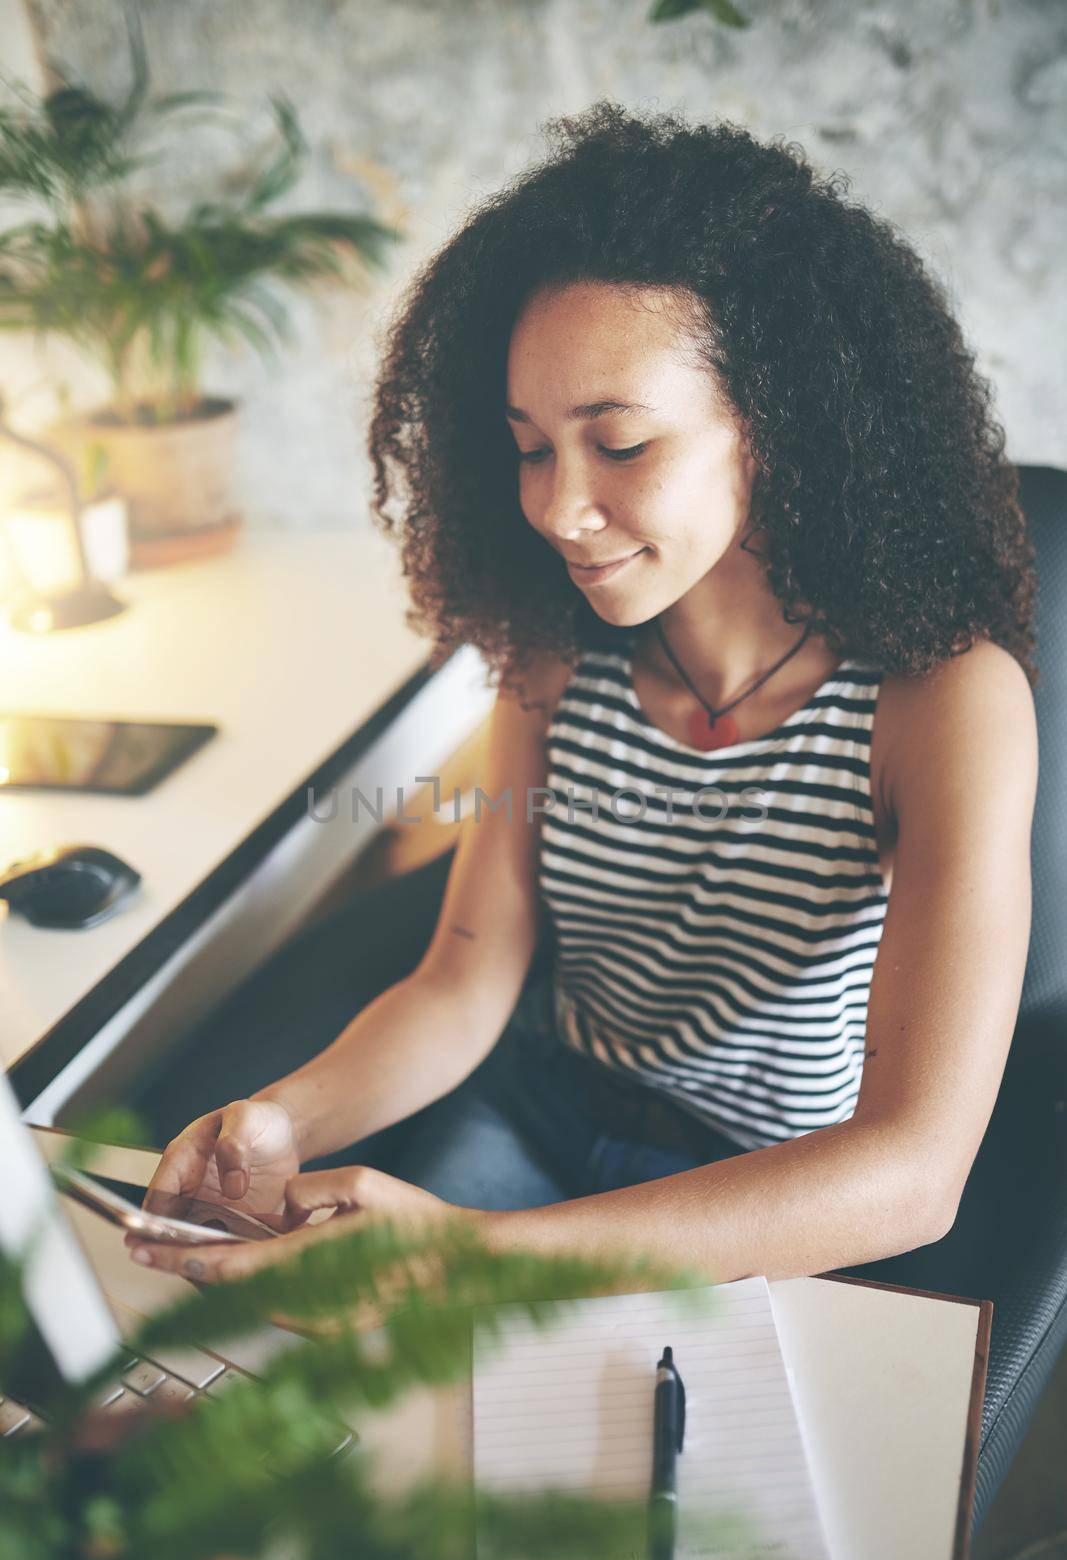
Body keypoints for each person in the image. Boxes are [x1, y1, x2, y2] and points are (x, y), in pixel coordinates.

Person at [127, 102, 1038, 1300]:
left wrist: (464, 1255)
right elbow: (460, 983)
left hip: (755, 1192)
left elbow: (909, 1175)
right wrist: (281, 1121)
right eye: (529, 447)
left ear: (776, 429)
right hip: (539, 1107)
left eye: (617, 444)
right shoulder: (556, 654)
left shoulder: (941, 703)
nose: (558, 508)